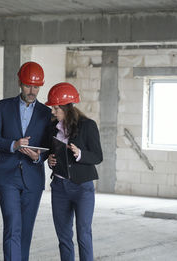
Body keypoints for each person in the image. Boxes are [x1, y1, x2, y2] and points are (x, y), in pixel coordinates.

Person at [0, 61, 52, 261]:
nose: (32, 91)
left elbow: (50, 146)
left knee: (26, 230)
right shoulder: (3, 106)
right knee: (13, 226)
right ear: (20, 83)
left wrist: (39, 156)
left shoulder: (47, 113)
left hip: (33, 176)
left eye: (36, 87)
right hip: (7, 175)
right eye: (28, 86)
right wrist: (13, 144)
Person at [45, 82, 103, 261]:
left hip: (82, 188)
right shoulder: (53, 126)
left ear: (67, 107)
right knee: (63, 237)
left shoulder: (88, 125)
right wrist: (50, 159)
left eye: (56, 108)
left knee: (83, 235)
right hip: (60, 187)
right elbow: (50, 151)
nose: (53, 112)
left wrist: (80, 154)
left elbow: (98, 156)